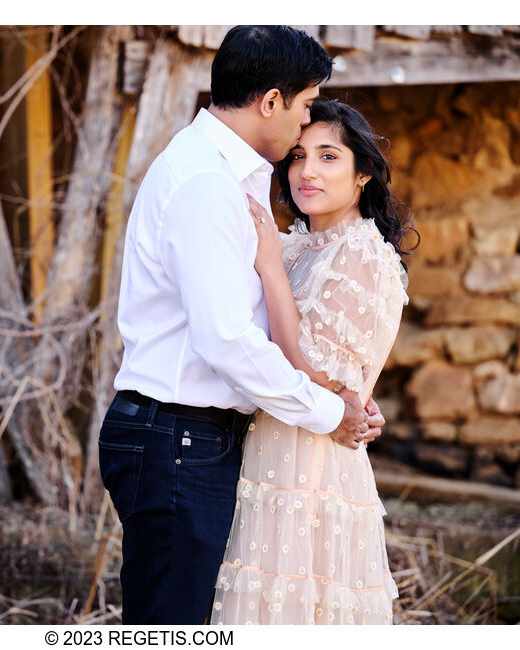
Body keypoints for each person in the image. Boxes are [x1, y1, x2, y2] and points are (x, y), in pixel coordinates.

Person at [97, 26, 383, 625]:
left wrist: (341, 391)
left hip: (195, 439)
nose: (305, 125)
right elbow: (227, 340)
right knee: (169, 628)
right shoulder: (206, 183)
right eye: (305, 106)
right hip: (175, 437)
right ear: (270, 102)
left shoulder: (226, 177)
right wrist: (330, 412)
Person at [210, 99, 413, 625]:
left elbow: (317, 373)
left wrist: (271, 268)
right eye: (298, 156)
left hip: (312, 469)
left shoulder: (361, 252)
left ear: (362, 172)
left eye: (329, 157)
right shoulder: (304, 244)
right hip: (269, 451)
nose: (306, 171)